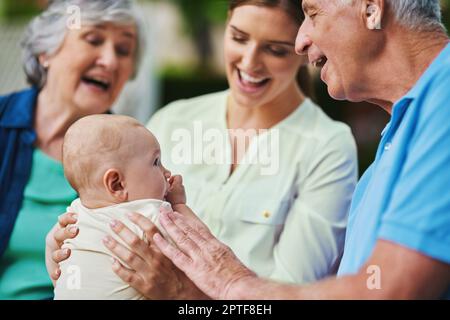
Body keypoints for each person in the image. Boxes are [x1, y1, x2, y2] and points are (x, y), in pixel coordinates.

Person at [47, 0, 359, 299]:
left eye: (275, 50)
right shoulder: (173, 119)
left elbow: (289, 290)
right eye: (239, 38)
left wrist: (182, 293)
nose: (249, 62)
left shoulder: (327, 146)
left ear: (303, 46)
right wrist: (69, 250)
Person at [148, 0, 450, 299]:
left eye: (312, 14)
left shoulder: (444, 99)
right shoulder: (400, 136)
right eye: (239, 37)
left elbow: (389, 288)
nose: (301, 41)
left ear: (372, 10)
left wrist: (230, 284)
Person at [0, 0, 144, 300]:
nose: (110, 60)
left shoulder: (139, 154)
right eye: (93, 40)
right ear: (46, 52)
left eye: (123, 50)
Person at [54, 115, 189, 300]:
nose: (167, 172)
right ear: (117, 184)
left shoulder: (76, 212)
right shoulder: (149, 213)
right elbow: (198, 247)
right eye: (156, 162)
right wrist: (179, 205)